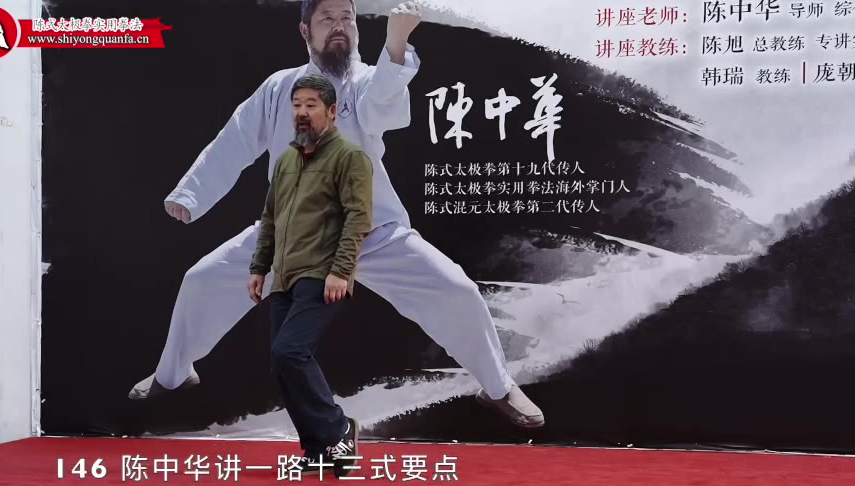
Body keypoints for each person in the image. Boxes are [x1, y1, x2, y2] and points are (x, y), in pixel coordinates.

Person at [128, 0, 545, 429]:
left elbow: (383, 105)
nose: (340, 25)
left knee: (456, 289)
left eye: (347, 18)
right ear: (305, 31)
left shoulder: (364, 81)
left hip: (371, 232)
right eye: (327, 18)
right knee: (202, 281)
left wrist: (396, 43)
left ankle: (498, 387)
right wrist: (192, 194)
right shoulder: (280, 87)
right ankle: (172, 375)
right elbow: (234, 141)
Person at [249, 73, 370, 475]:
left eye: (311, 105)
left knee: (290, 352)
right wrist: (259, 267)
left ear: (332, 111)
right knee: (282, 363)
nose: (302, 112)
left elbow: (358, 219)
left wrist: (341, 271)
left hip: (322, 272)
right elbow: (270, 218)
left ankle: (339, 429)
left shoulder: (349, 157)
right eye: (297, 105)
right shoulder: (286, 160)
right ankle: (318, 449)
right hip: (284, 275)